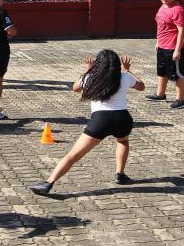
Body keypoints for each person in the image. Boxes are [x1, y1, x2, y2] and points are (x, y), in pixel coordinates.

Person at [30, 50, 145, 195]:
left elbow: (75, 88)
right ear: (117, 66)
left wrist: (87, 71)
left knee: (73, 155)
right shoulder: (124, 77)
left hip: (101, 121)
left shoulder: (90, 78)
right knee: (122, 142)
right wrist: (128, 70)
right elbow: (141, 86)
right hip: (123, 118)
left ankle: (48, 183)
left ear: (98, 65)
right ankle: (120, 174)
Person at [145, 0, 184, 108]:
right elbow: (161, 26)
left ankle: (180, 100)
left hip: (173, 47)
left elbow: (182, 31)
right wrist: (158, 41)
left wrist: (177, 50)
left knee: (177, 73)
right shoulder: (163, 7)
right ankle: (160, 94)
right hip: (162, 45)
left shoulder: (178, 10)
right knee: (162, 70)